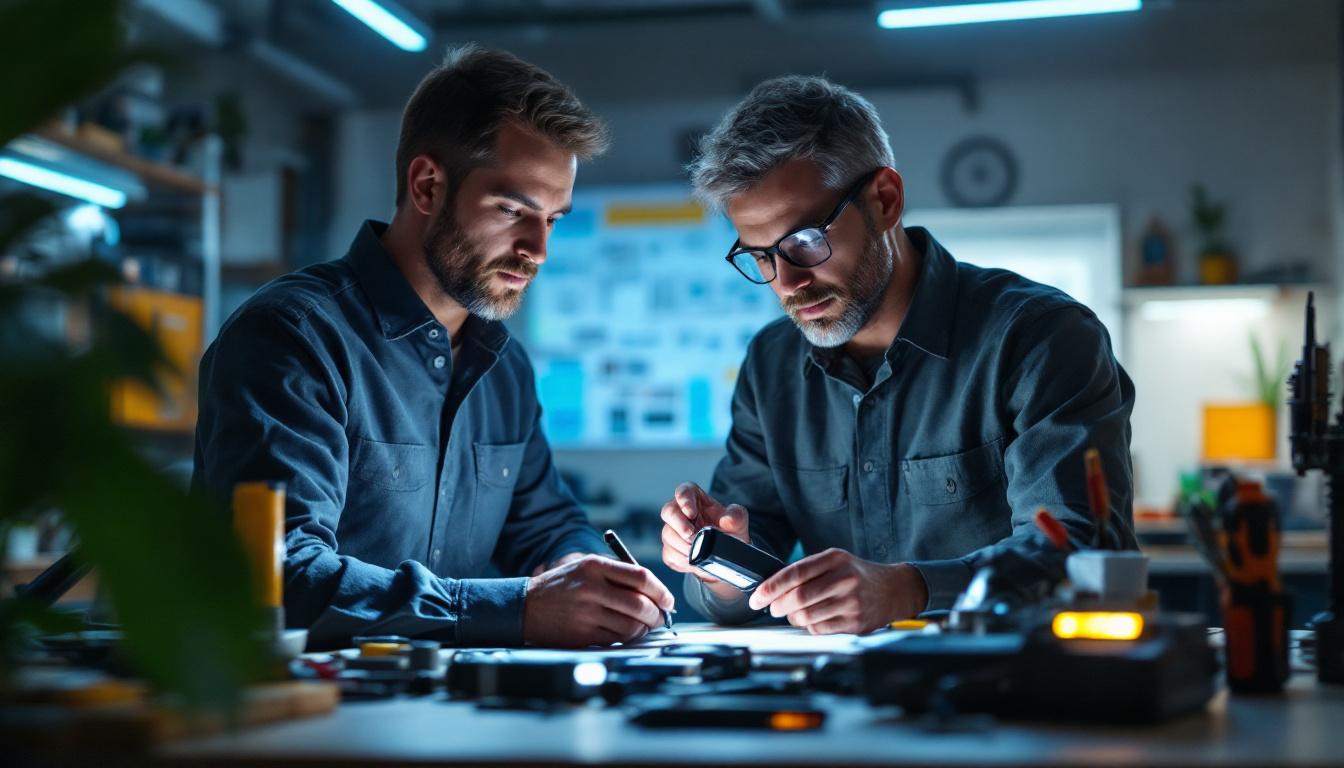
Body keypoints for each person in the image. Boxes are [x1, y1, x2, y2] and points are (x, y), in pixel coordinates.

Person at [195, 45, 673, 649]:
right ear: (426, 186)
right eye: (512, 210)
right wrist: (518, 608)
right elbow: (274, 575)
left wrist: (587, 579)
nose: (538, 250)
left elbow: (545, 525)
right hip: (308, 717)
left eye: (552, 219)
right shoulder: (293, 337)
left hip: (451, 715)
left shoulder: (504, 367)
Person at [660, 75, 1136, 634]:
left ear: (884, 201)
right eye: (760, 255)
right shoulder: (771, 367)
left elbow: (1081, 551)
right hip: (842, 701)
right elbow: (740, 590)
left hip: (1007, 694)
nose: (785, 283)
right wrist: (722, 563)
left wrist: (911, 590)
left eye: (806, 242)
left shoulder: (1041, 338)